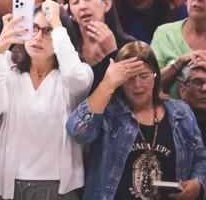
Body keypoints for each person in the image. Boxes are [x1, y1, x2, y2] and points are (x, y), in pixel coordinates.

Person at [67, 42, 206, 200]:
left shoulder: (180, 113)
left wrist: (198, 184)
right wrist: (107, 83)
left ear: (155, 75)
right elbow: (79, 132)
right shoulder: (109, 113)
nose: (138, 84)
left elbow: (200, 160)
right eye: (130, 78)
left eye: (144, 76)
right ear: (120, 82)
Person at [0, 0, 92, 200]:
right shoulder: (10, 70)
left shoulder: (75, 72)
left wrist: (57, 23)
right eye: (33, 28)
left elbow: (77, 79)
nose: (38, 37)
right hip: (10, 183)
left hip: (58, 186)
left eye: (48, 30)